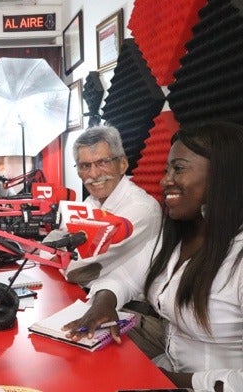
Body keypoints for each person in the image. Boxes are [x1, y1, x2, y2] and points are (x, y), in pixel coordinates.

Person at [62, 122, 243, 392]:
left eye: (178, 169)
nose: (165, 180)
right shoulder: (177, 237)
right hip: (169, 369)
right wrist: (105, 302)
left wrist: (170, 381)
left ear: (222, 177)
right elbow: (125, 278)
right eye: (166, 169)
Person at [65, 126, 162, 287]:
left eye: (102, 162)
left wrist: (61, 258)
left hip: (128, 305)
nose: (94, 174)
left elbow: (79, 272)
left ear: (123, 164)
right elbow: (54, 244)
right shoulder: (91, 202)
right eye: (85, 166)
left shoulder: (141, 209)